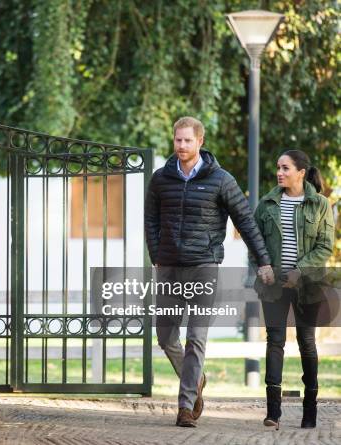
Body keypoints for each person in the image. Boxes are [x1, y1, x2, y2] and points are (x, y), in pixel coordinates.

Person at [144, 116, 274, 427]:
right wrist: (156, 254)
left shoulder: (221, 180)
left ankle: (185, 406)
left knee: (196, 336)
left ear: (200, 142)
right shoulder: (161, 179)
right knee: (165, 336)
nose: (181, 146)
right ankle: (197, 378)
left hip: (204, 265)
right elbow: (151, 221)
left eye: (187, 140)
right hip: (168, 267)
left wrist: (264, 261)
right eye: (178, 140)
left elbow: (245, 222)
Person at [253, 149, 334, 429]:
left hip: (308, 285)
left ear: (301, 172)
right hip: (274, 285)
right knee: (275, 342)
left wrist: (299, 271)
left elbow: (325, 245)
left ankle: (309, 410)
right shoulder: (267, 203)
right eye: (278, 167)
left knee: (307, 344)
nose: (279, 173)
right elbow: (256, 241)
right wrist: (262, 266)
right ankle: (272, 413)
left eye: (285, 168)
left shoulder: (320, 204)